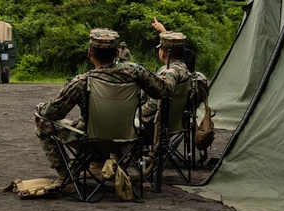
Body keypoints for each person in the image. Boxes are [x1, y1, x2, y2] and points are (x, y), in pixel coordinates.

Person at [34, 28, 173, 183]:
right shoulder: (137, 72)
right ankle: (98, 164)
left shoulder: (82, 81)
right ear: (117, 53)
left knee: (43, 123)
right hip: (127, 137)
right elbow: (163, 91)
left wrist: (39, 108)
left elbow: (52, 113)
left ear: (89, 53)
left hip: (92, 140)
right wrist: (170, 74)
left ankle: (66, 177)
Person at [138, 31, 192, 136]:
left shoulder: (168, 73)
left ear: (162, 53)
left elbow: (157, 101)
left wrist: (137, 115)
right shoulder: (185, 69)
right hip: (175, 122)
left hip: (155, 125)